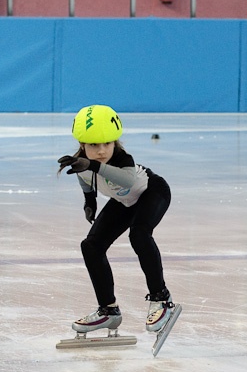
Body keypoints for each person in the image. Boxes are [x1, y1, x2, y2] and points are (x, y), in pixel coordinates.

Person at [58, 104, 176, 335]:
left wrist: (92, 164)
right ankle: (108, 310)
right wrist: (89, 201)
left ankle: (161, 298)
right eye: (93, 145)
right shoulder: (82, 162)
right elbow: (84, 178)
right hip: (125, 202)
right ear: (82, 145)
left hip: (152, 192)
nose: (101, 150)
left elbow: (127, 181)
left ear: (115, 142)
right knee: (91, 245)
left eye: (107, 144)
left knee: (140, 234)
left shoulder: (123, 158)